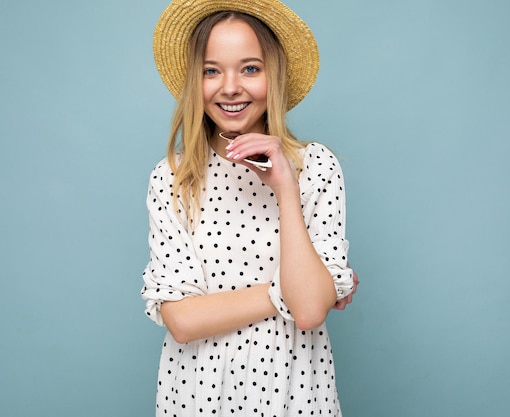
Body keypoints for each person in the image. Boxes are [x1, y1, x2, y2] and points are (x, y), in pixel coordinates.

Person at [141, 0, 358, 416]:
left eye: (250, 68)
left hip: (294, 396)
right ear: (194, 80)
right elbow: (182, 322)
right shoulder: (171, 177)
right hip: (198, 397)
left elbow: (310, 314)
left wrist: (286, 190)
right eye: (211, 70)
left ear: (272, 76)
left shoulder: (315, 167)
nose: (230, 87)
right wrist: (299, 291)